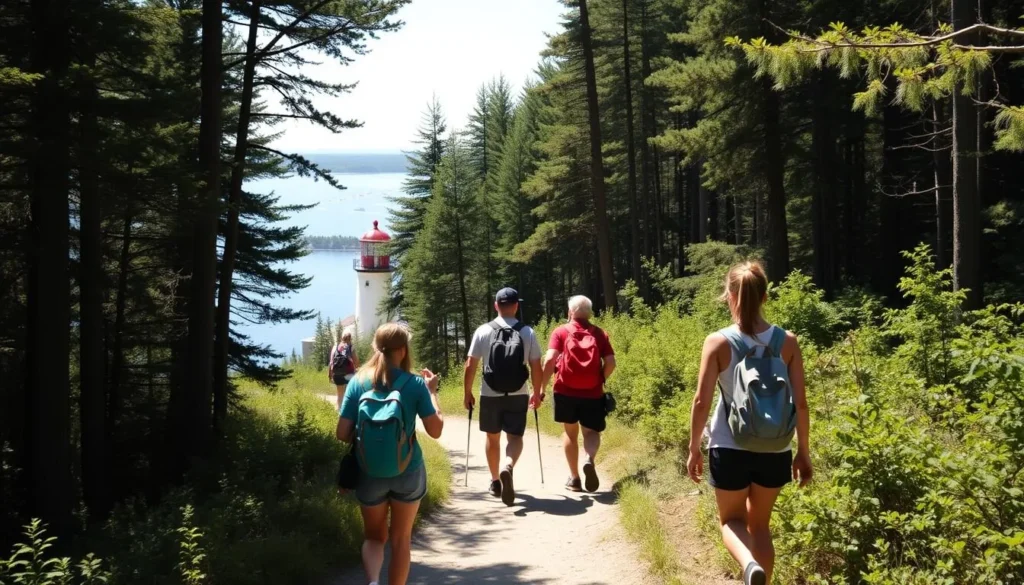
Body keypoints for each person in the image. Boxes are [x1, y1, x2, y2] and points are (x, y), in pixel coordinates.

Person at [686, 261, 813, 585]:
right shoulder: (788, 342)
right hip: (776, 447)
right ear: (765, 297)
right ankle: (758, 573)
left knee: (731, 522)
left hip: (730, 446)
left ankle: (748, 565)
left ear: (729, 295)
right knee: (761, 526)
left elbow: (701, 402)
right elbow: (800, 403)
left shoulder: (717, 342)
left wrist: (693, 449)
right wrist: (803, 452)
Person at [336, 323, 443, 585]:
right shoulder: (416, 384)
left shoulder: (358, 381)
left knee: (374, 537)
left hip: (369, 471)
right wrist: (432, 392)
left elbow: (341, 432)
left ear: (376, 347)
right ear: (403, 350)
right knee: (400, 540)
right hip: (408, 470)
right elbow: (436, 430)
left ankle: (373, 581)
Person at [463, 287, 544, 506]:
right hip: (518, 392)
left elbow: (471, 364)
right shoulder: (527, 332)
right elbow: (537, 365)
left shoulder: (483, 331)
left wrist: (467, 392)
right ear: (517, 305)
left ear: (496, 305)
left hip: (490, 393)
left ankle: (495, 481)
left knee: (492, 437)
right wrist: (537, 392)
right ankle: (508, 465)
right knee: (515, 437)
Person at [541, 295, 615, 493]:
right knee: (591, 432)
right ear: (589, 313)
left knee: (570, 433)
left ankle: (574, 478)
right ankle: (589, 459)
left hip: (565, 391)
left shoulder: (560, 332)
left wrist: (541, 388)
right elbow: (611, 363)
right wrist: (600, 379)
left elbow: (549, 360)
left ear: (570, 312)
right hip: (593, 393)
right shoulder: (599, 334)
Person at [329, 331, 360, 407]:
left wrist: (330, 375)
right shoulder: (350, 346)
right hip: (349, 374)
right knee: (351, 394)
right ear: (350, 339)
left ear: (341, 338)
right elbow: (356, 361)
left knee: (340, 396)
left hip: (337, 374)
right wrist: (357, 370)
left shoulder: (336, 346)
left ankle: (339, 413)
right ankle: (350, 413)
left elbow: (331, 362)